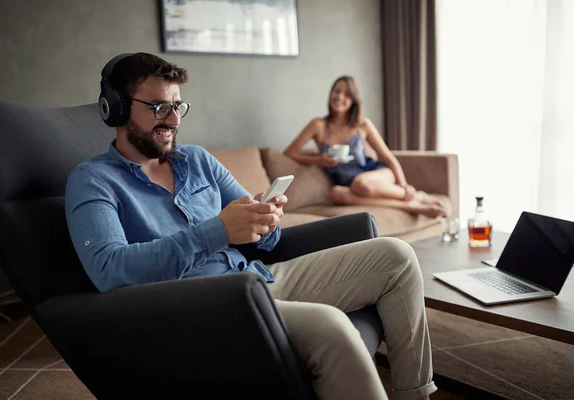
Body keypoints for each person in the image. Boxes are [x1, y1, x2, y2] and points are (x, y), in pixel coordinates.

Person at [65, 52, 437, 400]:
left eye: (177, 106)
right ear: (115, 109)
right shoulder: (93, 180)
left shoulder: (197, 160)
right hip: (198, 308)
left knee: (397, 257)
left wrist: (266, 218)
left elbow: (268, 241)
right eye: (159, 107)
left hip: (258, 280)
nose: (174, 119)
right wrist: (219, 231)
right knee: (332, 327)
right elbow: (110, 271)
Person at [283, 76, 447, 219]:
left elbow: (387, 157)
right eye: (336, 91)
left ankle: (414, 199)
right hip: (349, 184)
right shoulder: (318, 125)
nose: (340, 97)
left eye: (346, 94)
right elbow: (289, 153)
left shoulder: (362, 125)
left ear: (353, 100)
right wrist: (318, 160)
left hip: (376, 175)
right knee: (336, 193)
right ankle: (413, 203)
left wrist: (404, 185)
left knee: (361, 183)